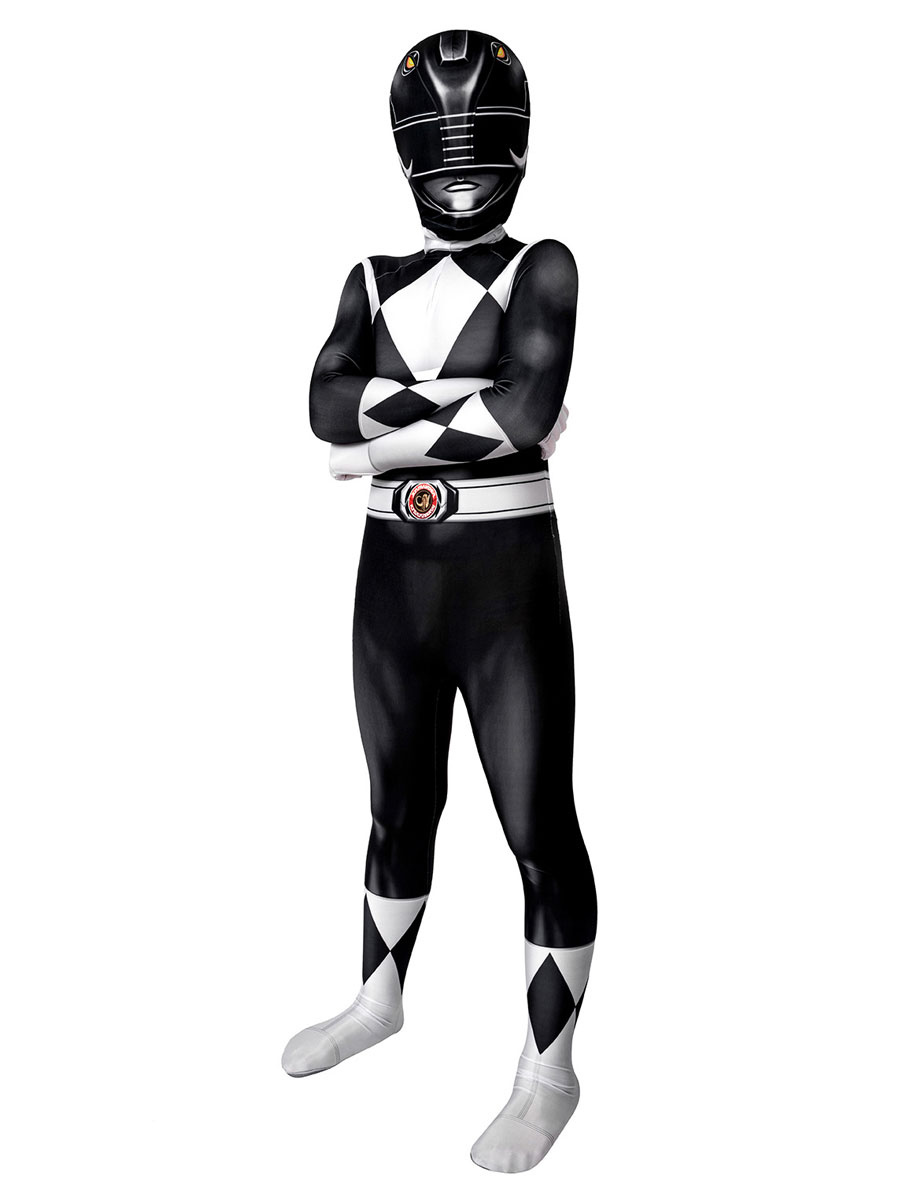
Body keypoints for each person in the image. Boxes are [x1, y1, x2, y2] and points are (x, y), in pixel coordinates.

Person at [282, 29, 598, 1174]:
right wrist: (466, 409)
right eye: (442, 146)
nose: (461, 172)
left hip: (504, 583)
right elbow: (322, 406)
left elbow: (525, 409)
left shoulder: (543, 266)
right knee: (394, 803)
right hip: (394, 584)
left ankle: (548, 1070)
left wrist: (378, 442)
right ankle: (381, 999)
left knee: (536, 823)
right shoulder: (369, 279)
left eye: (480, 145)